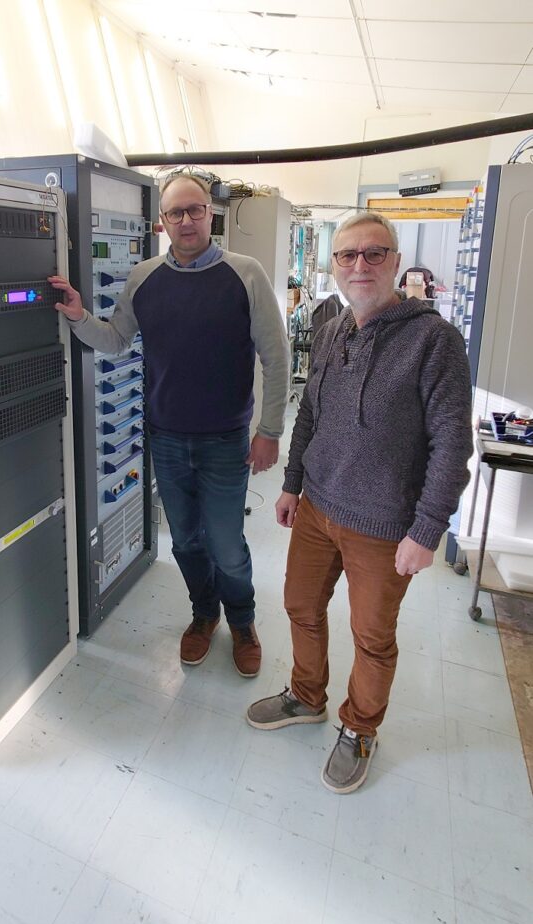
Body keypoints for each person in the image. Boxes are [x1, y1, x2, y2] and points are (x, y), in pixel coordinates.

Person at [247, 211, 472, 793]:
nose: (360, 265)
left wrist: (428, 530)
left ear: (396, 262)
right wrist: (293, 483)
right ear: (335, 265)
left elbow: (452, 443)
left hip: (385, 525)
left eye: (374, 253)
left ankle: (360, 727)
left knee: (372, 638)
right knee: (300, 606)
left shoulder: (434, 341)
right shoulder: (330, 331)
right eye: (348, 255)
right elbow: (311, 417)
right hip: (318, 509)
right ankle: (305, 695)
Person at [49, 174, 290, 677]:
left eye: (195, 210)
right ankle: (204, 615)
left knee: (226, 543)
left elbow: (276, 355)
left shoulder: (245, 274)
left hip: (226, 440)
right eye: (176, 213)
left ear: (210, 214)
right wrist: (78, 316)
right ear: (162, 221)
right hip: (167, 438)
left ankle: (242, 622)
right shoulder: (143, 278)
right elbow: (116, 340)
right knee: (184, 540)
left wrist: (269, 431)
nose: (186, 220)